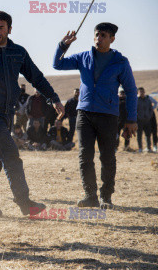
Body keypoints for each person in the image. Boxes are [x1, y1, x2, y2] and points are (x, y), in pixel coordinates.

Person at [0, 10, 64, 216]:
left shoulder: (18, 52)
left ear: (9, 29)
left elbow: (36, 77)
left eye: (1, 27)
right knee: (11, 155)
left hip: (7, 113)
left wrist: (53, 98)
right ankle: (25, 203)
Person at [53, 22, 137, 209]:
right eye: (97, 34)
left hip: (108, 115)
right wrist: (63, 45)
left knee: (107, 156)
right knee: (85, 156)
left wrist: (131, 119)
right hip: (84, 114)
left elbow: (131, 91)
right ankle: (90, 195)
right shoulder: (84, 57)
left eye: (104, 35)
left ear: (112, 39)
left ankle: (106, 196)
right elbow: (57, 64)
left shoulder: (120, 62)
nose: (99, 38)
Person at [136, 87, 155, 153]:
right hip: (139, 121)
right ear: (138, 93)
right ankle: (140, 148)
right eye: (140, 92)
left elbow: (151, 109)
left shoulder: (148, 100)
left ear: (144, 92)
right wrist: (137, 117)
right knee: (139, 135)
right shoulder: (136, 100)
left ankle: (149, 148)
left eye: (142, 92)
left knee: (148, 134)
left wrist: (149, 116)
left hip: (147, 120)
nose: (141, 93)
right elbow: (134, 110)